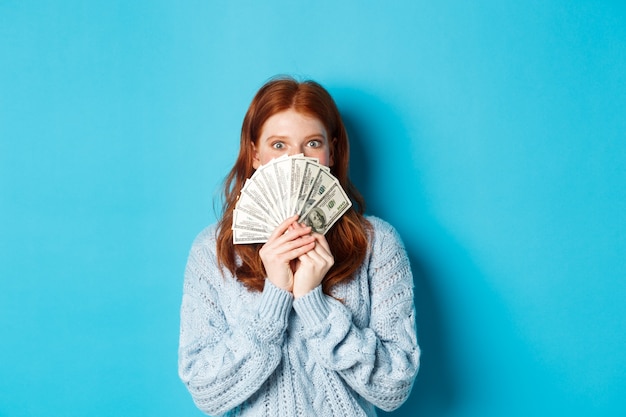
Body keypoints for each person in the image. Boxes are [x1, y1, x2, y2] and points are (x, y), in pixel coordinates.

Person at [178, 76, 420, 416]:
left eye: (312, 143)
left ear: (332, 151)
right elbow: (206, 391)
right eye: (279, 145)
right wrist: (275, 295)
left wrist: (313, 304)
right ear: (255, 153)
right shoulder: (212, 250)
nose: (296, 160)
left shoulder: (377, 244)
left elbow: (395, 387)